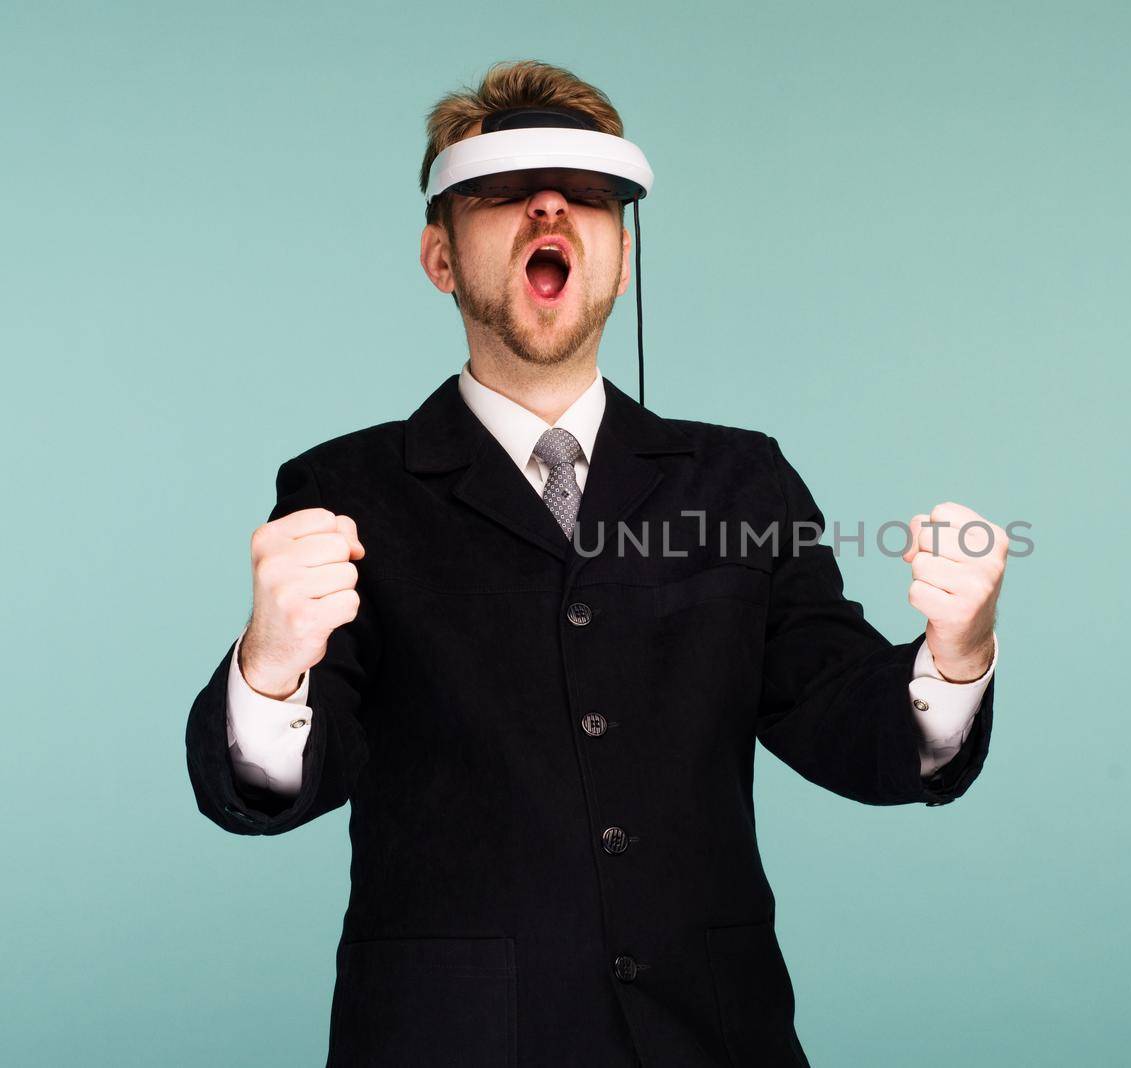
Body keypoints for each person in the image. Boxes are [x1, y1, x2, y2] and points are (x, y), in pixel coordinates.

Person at [184, 59, 1004, 1067]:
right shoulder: (345, 486)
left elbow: (842, 720)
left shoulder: (741, 482)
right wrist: (269, 667)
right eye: (499, 192)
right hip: (449, 1041)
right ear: (440, 257)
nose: (546, 207)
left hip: (711, 1036)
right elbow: (286, 785)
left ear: (620, 257)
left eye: (588, 195)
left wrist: (955, 656)